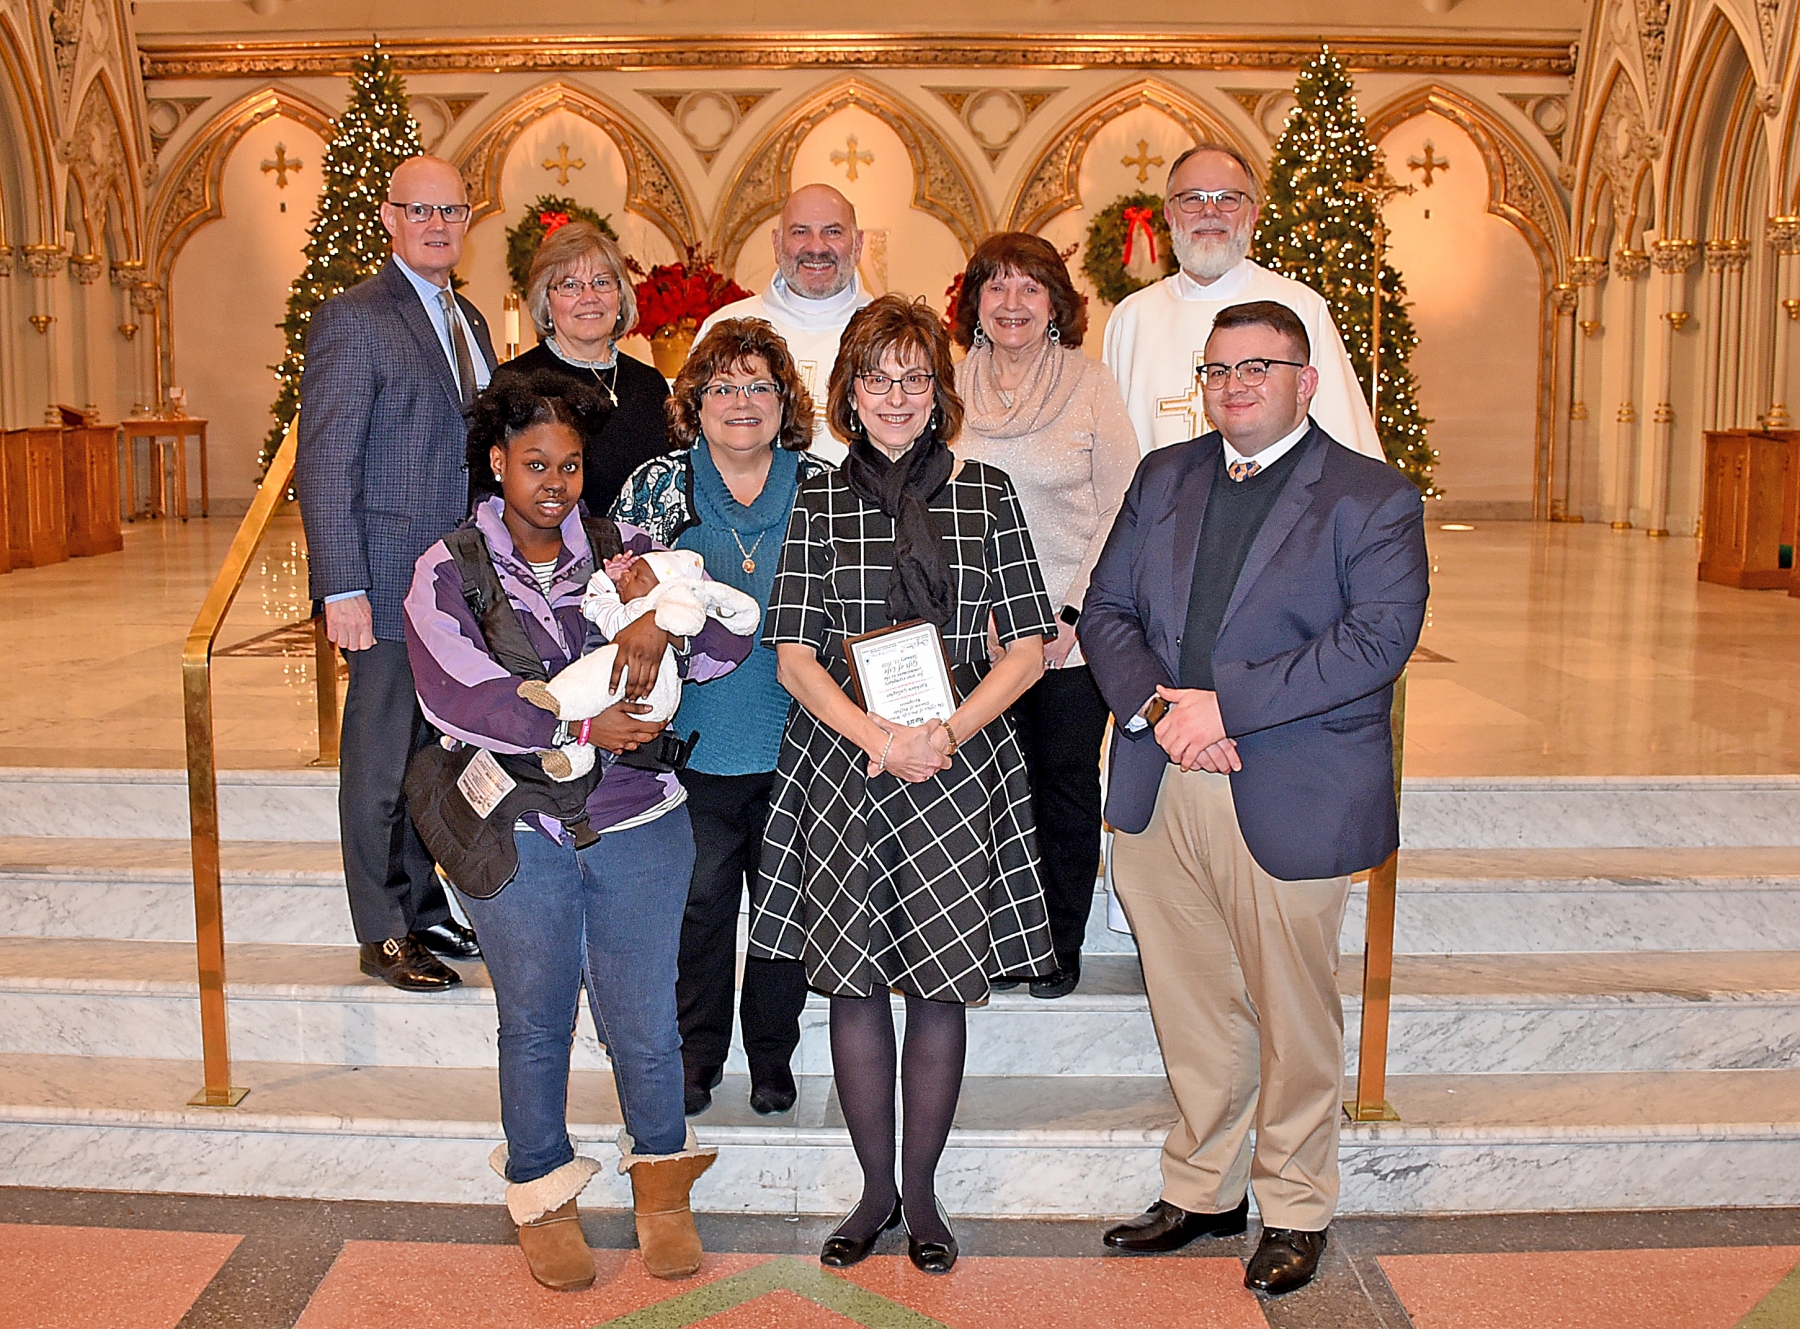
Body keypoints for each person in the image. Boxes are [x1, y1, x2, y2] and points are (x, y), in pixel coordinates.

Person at [1079, 301, 1428, 1295]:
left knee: (1292, 1011)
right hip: (1161, 775)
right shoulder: (1165, 475)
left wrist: (1226, 709)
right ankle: (1204, 1186)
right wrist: (1158, 706)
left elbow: (1375, 644)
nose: (1235, 385)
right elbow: (1107, 608)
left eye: (1259, 367)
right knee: (1190, 1001)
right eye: (1220, 368)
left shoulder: (1371, 497)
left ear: (1305, 381)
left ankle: (1297, 1202)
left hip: (1288, 784)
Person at [403, 370, 751, 1291]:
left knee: (646, 1023)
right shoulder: (447, 568)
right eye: (533, 463)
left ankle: (663, 1195)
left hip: (637, 818)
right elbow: (459, 691)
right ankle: (541, 1194)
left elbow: (728, 647)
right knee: (536, 1022)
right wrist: (580, 726)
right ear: (496, 464)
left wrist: (660, 619)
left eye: (570, 463)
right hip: (517, 826)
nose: (554, 482)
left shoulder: (624, 546)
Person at [750, 295, 1057, 1275]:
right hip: (846, 760)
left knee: (937, 986)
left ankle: (921, 1195)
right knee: (850, 984)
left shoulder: (988, 492)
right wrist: (876, 734)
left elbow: (1028, 651)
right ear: (847, 391)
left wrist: (944, 732)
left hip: (955, 768)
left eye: (914, 377)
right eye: (875, 378)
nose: (895, 396)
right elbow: (795, 654)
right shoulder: (820, 497)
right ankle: (872, 1189)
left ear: (940, 391)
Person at [613, 319, 831, 1119]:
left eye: (760, 386)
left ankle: (772, 1054)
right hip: (691, 744)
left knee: (785, 905)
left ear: (785, 400)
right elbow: (611, 600)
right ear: (695, 401)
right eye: (724, 386)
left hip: (802, 738)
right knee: (700, 902)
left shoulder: (820, 485)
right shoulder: (658, 487)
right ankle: (696, 1054)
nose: (743, 401)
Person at [296, 154, 492, 991]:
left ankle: (421, 906)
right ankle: (380, 930)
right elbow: (325, 459)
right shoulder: (356, 317)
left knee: (427, 756)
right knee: (378, 762)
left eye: (451, 210)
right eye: (420, 211)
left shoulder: (470, 319)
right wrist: (340, 588)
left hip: (450, 586)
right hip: (379, 584)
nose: (437, 224)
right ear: (389, 217)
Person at [949, 232, 1139, 999]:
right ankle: (994, 932)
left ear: (1057, 303)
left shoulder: (1091, 385)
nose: (1013, 302)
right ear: (975, 303)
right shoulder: (949, 383)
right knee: (987, 786)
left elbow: (1125, 505)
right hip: (976, 626)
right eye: (996, 287)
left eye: (1031, 287)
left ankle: (1058, 942)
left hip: (1067, 631)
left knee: (1060, 786)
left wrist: (1073, 611)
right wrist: (976, 609)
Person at [1102, 142, 1386, 461]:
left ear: (1252, 216)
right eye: (1193, 199)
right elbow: (1111, 452)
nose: (1210, 212)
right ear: (1169, 215)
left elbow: (1343, 442)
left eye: (1228, 198)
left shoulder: (1301, 307)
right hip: (1161, 510)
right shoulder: (1132, 318)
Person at [495, 220, 673, 511]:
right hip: (550, 553)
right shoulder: (517, 382)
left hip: (645, 551)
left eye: (602, 282)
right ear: (547, 301)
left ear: (620, 295)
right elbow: (497, 497)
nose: (589, 298)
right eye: (570, 286)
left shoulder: (649, 384)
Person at [697, 184, 872, 463]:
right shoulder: (724, 328)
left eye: (833, 232)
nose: (817, 246)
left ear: (859, 244)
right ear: (777, 244)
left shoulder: (888, 332)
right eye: (800, 232)